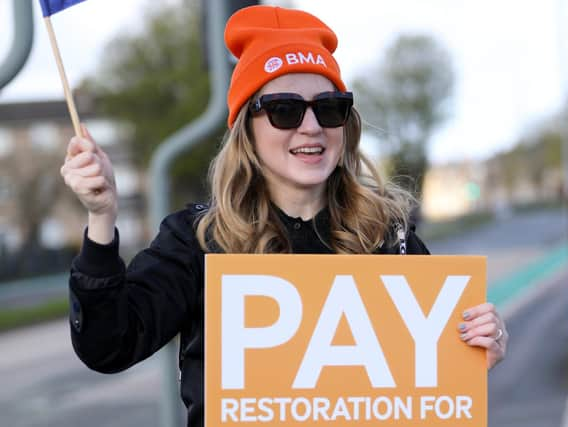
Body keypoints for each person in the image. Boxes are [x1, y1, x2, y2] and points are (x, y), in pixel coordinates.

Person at [60, 5, 508, 427]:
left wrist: (470, 357)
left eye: (329, 108)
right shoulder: (199, 240)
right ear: (247, 131)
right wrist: (101, 218)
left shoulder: (387, 237)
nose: (310, 126)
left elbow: (427, 396)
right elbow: (108, 344)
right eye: (285, 110)